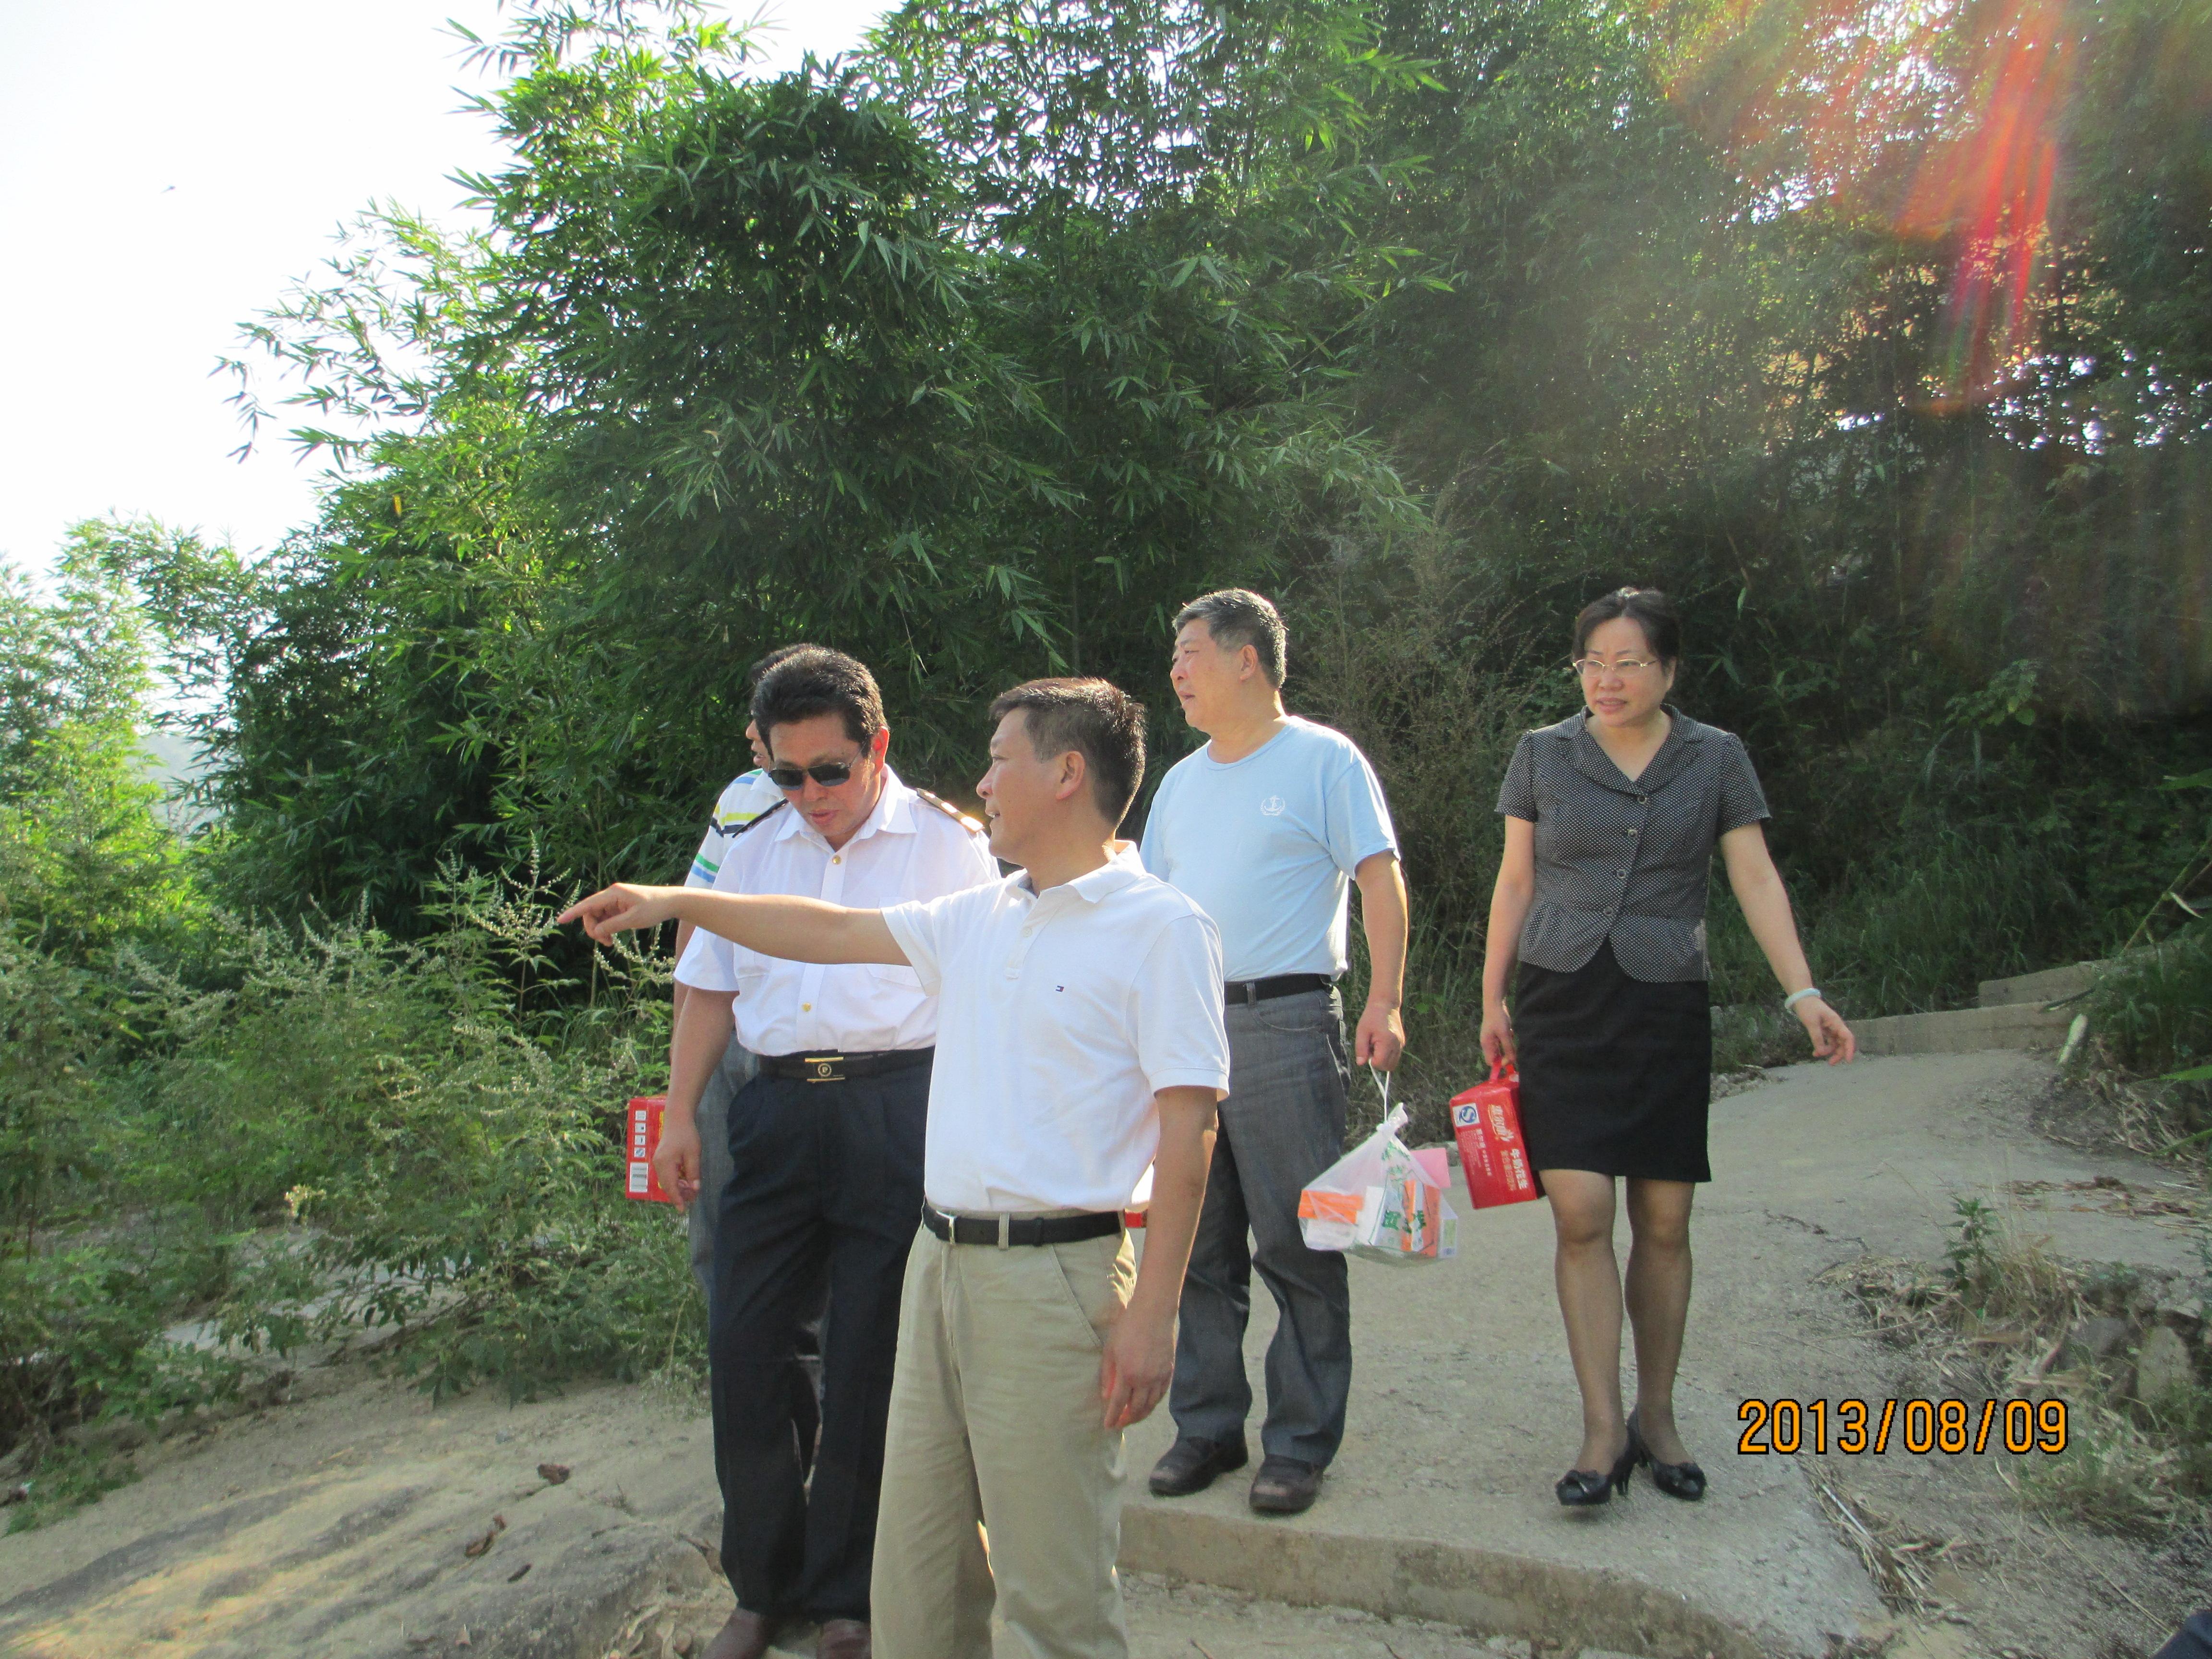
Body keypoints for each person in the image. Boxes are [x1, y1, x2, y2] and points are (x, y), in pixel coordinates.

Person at [561, 677, 1229, 1659]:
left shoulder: (1160, 926)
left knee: (1054, 1591)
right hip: (939, 1261)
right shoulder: (983, 912)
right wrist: (674, 901)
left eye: (1000, 760)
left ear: (1066, 773)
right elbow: (829, 931)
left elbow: (1190, 1130)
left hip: (1054, 1276)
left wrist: (1154, 1315)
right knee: (919, 1575)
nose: (983, 783)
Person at [653, 648, 999, 1659]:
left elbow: (990, 996)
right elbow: (708, 986)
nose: (810, 795)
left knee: (871, 1360)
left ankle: (852, 1592)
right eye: (787, 774)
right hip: (775, 1114)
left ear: (877, 746)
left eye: (830, 772)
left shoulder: (948, 847)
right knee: (747, 1344)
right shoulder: (756, 844)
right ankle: (763, 1585)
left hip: (897, 1110)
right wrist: (680, 1114)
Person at [1479, 587, 1855, 1508]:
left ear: (1669, 670)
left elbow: (1754, 876)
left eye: (1629, 663)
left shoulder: (1715, 756)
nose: (1607, 681)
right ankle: (1602, 1430)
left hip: (1664, 1001)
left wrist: (1803, 992)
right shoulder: (1541, 753)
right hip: (1562, 998)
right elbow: (1516, 879)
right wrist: (1491, 996)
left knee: (1664, 1220)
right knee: (1579, 1213)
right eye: (1592, 663)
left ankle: (1658, 1415)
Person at [1140, 588, 1407, 1517]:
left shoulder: (1323, 759)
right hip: (1185, 1031)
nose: (1176, 671)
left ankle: (1298, 1443)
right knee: (1196, 1242)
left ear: (1246, 658)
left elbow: (1380, 880)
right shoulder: (1179, 783)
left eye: (1190, 653)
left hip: (1286, 1021)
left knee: (1298, 1240)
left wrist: (1385, 999)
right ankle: (1208, 1427)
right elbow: (1149, 909)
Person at [672, 642, 819, 1310]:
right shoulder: (741, 798)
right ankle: (730, 1342)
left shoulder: (856, 803)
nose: (750, 734)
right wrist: (681, 1051)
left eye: (761, 718)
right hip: (725, 1035)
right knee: (717, 1217)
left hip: (807, 1051)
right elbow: (696, 914)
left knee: (805, 1231)